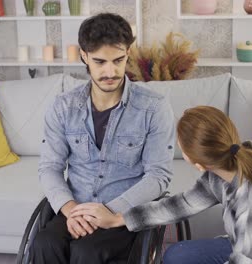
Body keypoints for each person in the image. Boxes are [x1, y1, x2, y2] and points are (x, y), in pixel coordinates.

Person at [70, 106, 252, 264]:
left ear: (197, 162)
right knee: (176, 255)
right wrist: (119, 218)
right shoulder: (243, 154)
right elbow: (183, 203)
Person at [32, 13, 175, 264]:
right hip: (75, 209)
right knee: (44, 243)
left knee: (87, 251)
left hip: (122, 214)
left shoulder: (154, 108)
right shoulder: (63, 107)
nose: (110, 71)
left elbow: (158, 176)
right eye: (100, 62)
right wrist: (71, 211)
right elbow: (49, 167)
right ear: (84, 56)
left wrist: (109, 211)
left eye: (118, 60)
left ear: (128, 53)